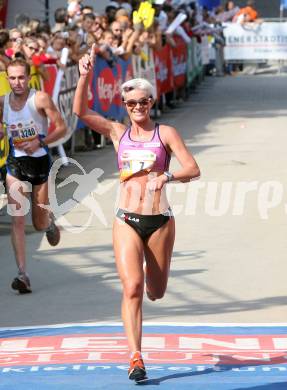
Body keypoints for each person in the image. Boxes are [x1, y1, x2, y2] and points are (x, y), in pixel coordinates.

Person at [73, 44, 200, 382]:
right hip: (126, 218)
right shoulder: (118, 133)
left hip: (159, 222)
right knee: (132, 287)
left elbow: (193, 168)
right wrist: (84, 75)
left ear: (151, 102)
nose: (137, 107)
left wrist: (167, 175)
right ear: (125, 106)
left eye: (143, 101)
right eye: (131, 103)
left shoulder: (166, 134)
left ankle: (151, 284)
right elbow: (81, 112)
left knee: (154, 291)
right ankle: (135, 357)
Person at [0, 58, 67, 294]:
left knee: (38, 223)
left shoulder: (39, 99)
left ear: (29, 77)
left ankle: (48, 223)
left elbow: (62, 127)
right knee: (17, 219)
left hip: (39, 164)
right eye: (12, 78)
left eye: (21, 77)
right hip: (15, 165)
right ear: (7, 79)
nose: (17, 82)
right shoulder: (3, 102)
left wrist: (39, 141)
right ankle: (22, 274)